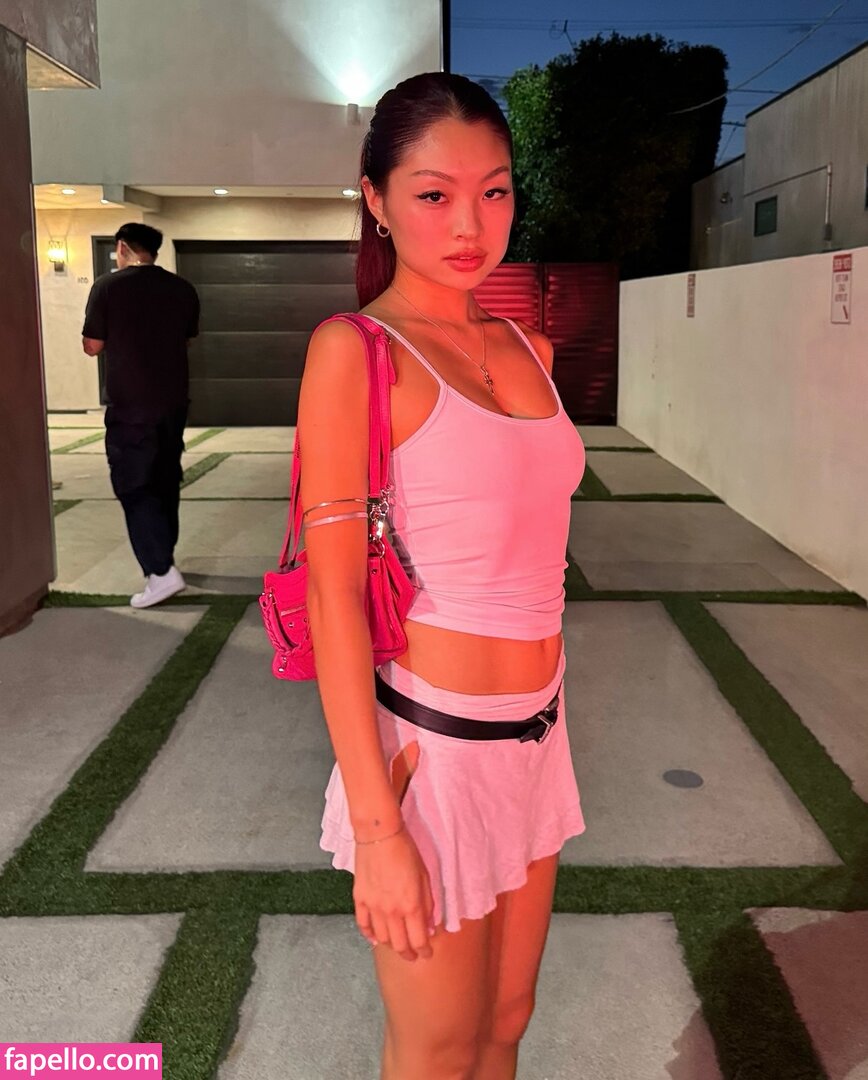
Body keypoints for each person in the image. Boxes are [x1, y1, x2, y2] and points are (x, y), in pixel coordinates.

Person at [299, 73, 587, 1079]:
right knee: (436, 1050)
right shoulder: (356, 352)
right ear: (376, 200)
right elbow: (332, 596)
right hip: (433, 758)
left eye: (494, 191)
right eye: (433, 194)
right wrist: (377, 831)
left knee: (507, 1021)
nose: (470, 224)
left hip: (540, 736)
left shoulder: (528, 346)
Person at [82, 223, 200, 608]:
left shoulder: (107, 287)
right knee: (165, 479)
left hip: (131, 405)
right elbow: (186, 338)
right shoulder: (182, 289)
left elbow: (92, 345)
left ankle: (160, 571)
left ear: (121, 247)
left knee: (134, 484)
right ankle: (165, 557)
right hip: (173, 402)